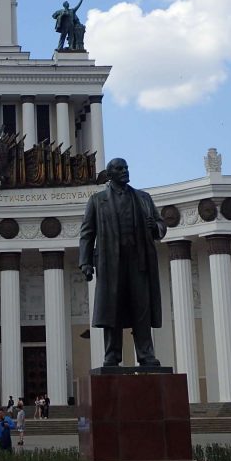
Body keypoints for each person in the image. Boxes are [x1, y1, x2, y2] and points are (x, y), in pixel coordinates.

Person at [79, 157, 167, 367]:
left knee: (142, 309)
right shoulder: (97, 201)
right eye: (120, 169)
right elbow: (87, 233)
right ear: (110, 174)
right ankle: (112, 355)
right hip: (111, 263)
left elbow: (160, 224)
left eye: (126, 167)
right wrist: (85, 262)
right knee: (112, 310)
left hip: (139, 262)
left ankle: (146, 354)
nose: (125, 171)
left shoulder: (143, 198)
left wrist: (155, 227)